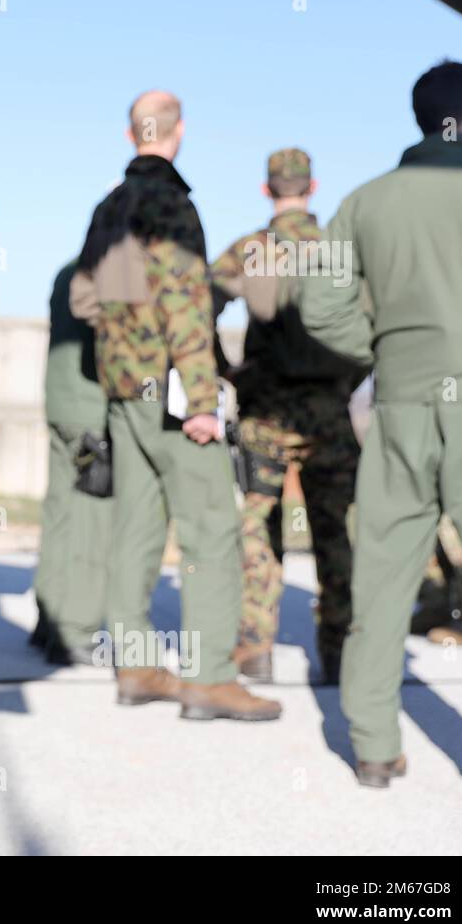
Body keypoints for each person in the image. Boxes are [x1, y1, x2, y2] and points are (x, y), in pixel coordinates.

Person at [299, 60, 462, 802]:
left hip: (402, 401)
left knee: (383, 575)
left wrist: (384, 347)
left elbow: (320, 307)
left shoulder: (366, 201)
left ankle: (375, 751)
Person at [70, 90, 281, 721]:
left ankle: (135, 668)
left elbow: (84, 299)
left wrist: (123, 336)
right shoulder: (172, 204)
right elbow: (187, 305)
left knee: (136, 527)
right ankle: (211, 678)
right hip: (169, 392)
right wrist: (201, 399)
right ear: (178, 131)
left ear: (132, 131)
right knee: (213, 528)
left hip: (124, 393)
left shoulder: (108, 207)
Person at [208, 149, 363, 685]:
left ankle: (255, 648)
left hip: (265, 414)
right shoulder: (336, 251)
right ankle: (340, 652)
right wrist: (348, 377)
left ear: (266, 189)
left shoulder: (253, 251)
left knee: (257, 528)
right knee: (336, 532)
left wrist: (226, 370)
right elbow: (374, 322)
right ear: (312, 187)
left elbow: (198, 303)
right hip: (328, 413)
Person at [32, 259, 110, 665]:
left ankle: (48, 620)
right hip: (92, 413)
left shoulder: (67, 271)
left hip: (62, 405)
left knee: (60, 514)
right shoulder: (114, 271)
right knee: (91, 520)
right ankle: (76, 632)